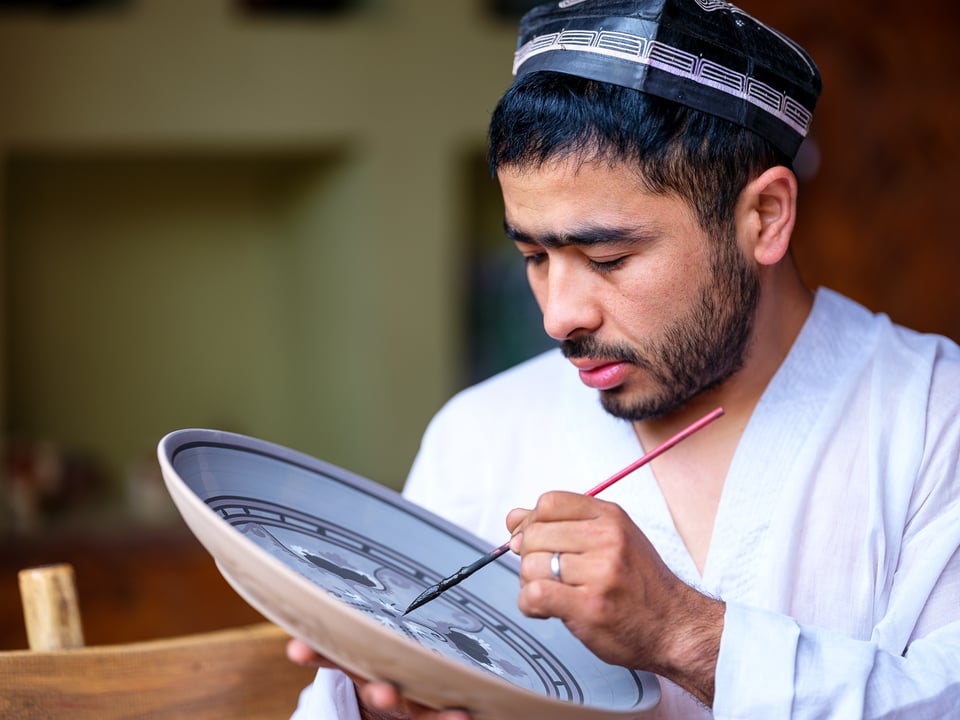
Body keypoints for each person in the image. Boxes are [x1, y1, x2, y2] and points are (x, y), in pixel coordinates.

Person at [289, 0, 960, 717]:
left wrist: (682, 632)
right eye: (533, 256)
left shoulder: (931, 416)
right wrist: (386, 706)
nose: (557, 316)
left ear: (763, 217)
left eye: (608, 257)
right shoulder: (480, 433)